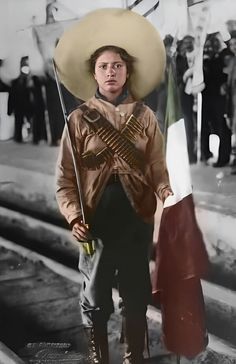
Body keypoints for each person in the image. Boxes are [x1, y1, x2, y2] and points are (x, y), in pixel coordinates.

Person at [54, 8, 173, 364]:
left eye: (117, 65)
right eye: (104, 66)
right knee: (95, 294)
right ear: (93, 73)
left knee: (137, 293)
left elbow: (157, 165)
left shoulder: (146, 118)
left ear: (127, 71)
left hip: (137, 219)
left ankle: (133, 356)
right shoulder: (77, 120)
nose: (111, 72)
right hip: (96, 222)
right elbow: (65, 180)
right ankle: (98, 356)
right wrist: (74, 217)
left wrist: (166, 191)